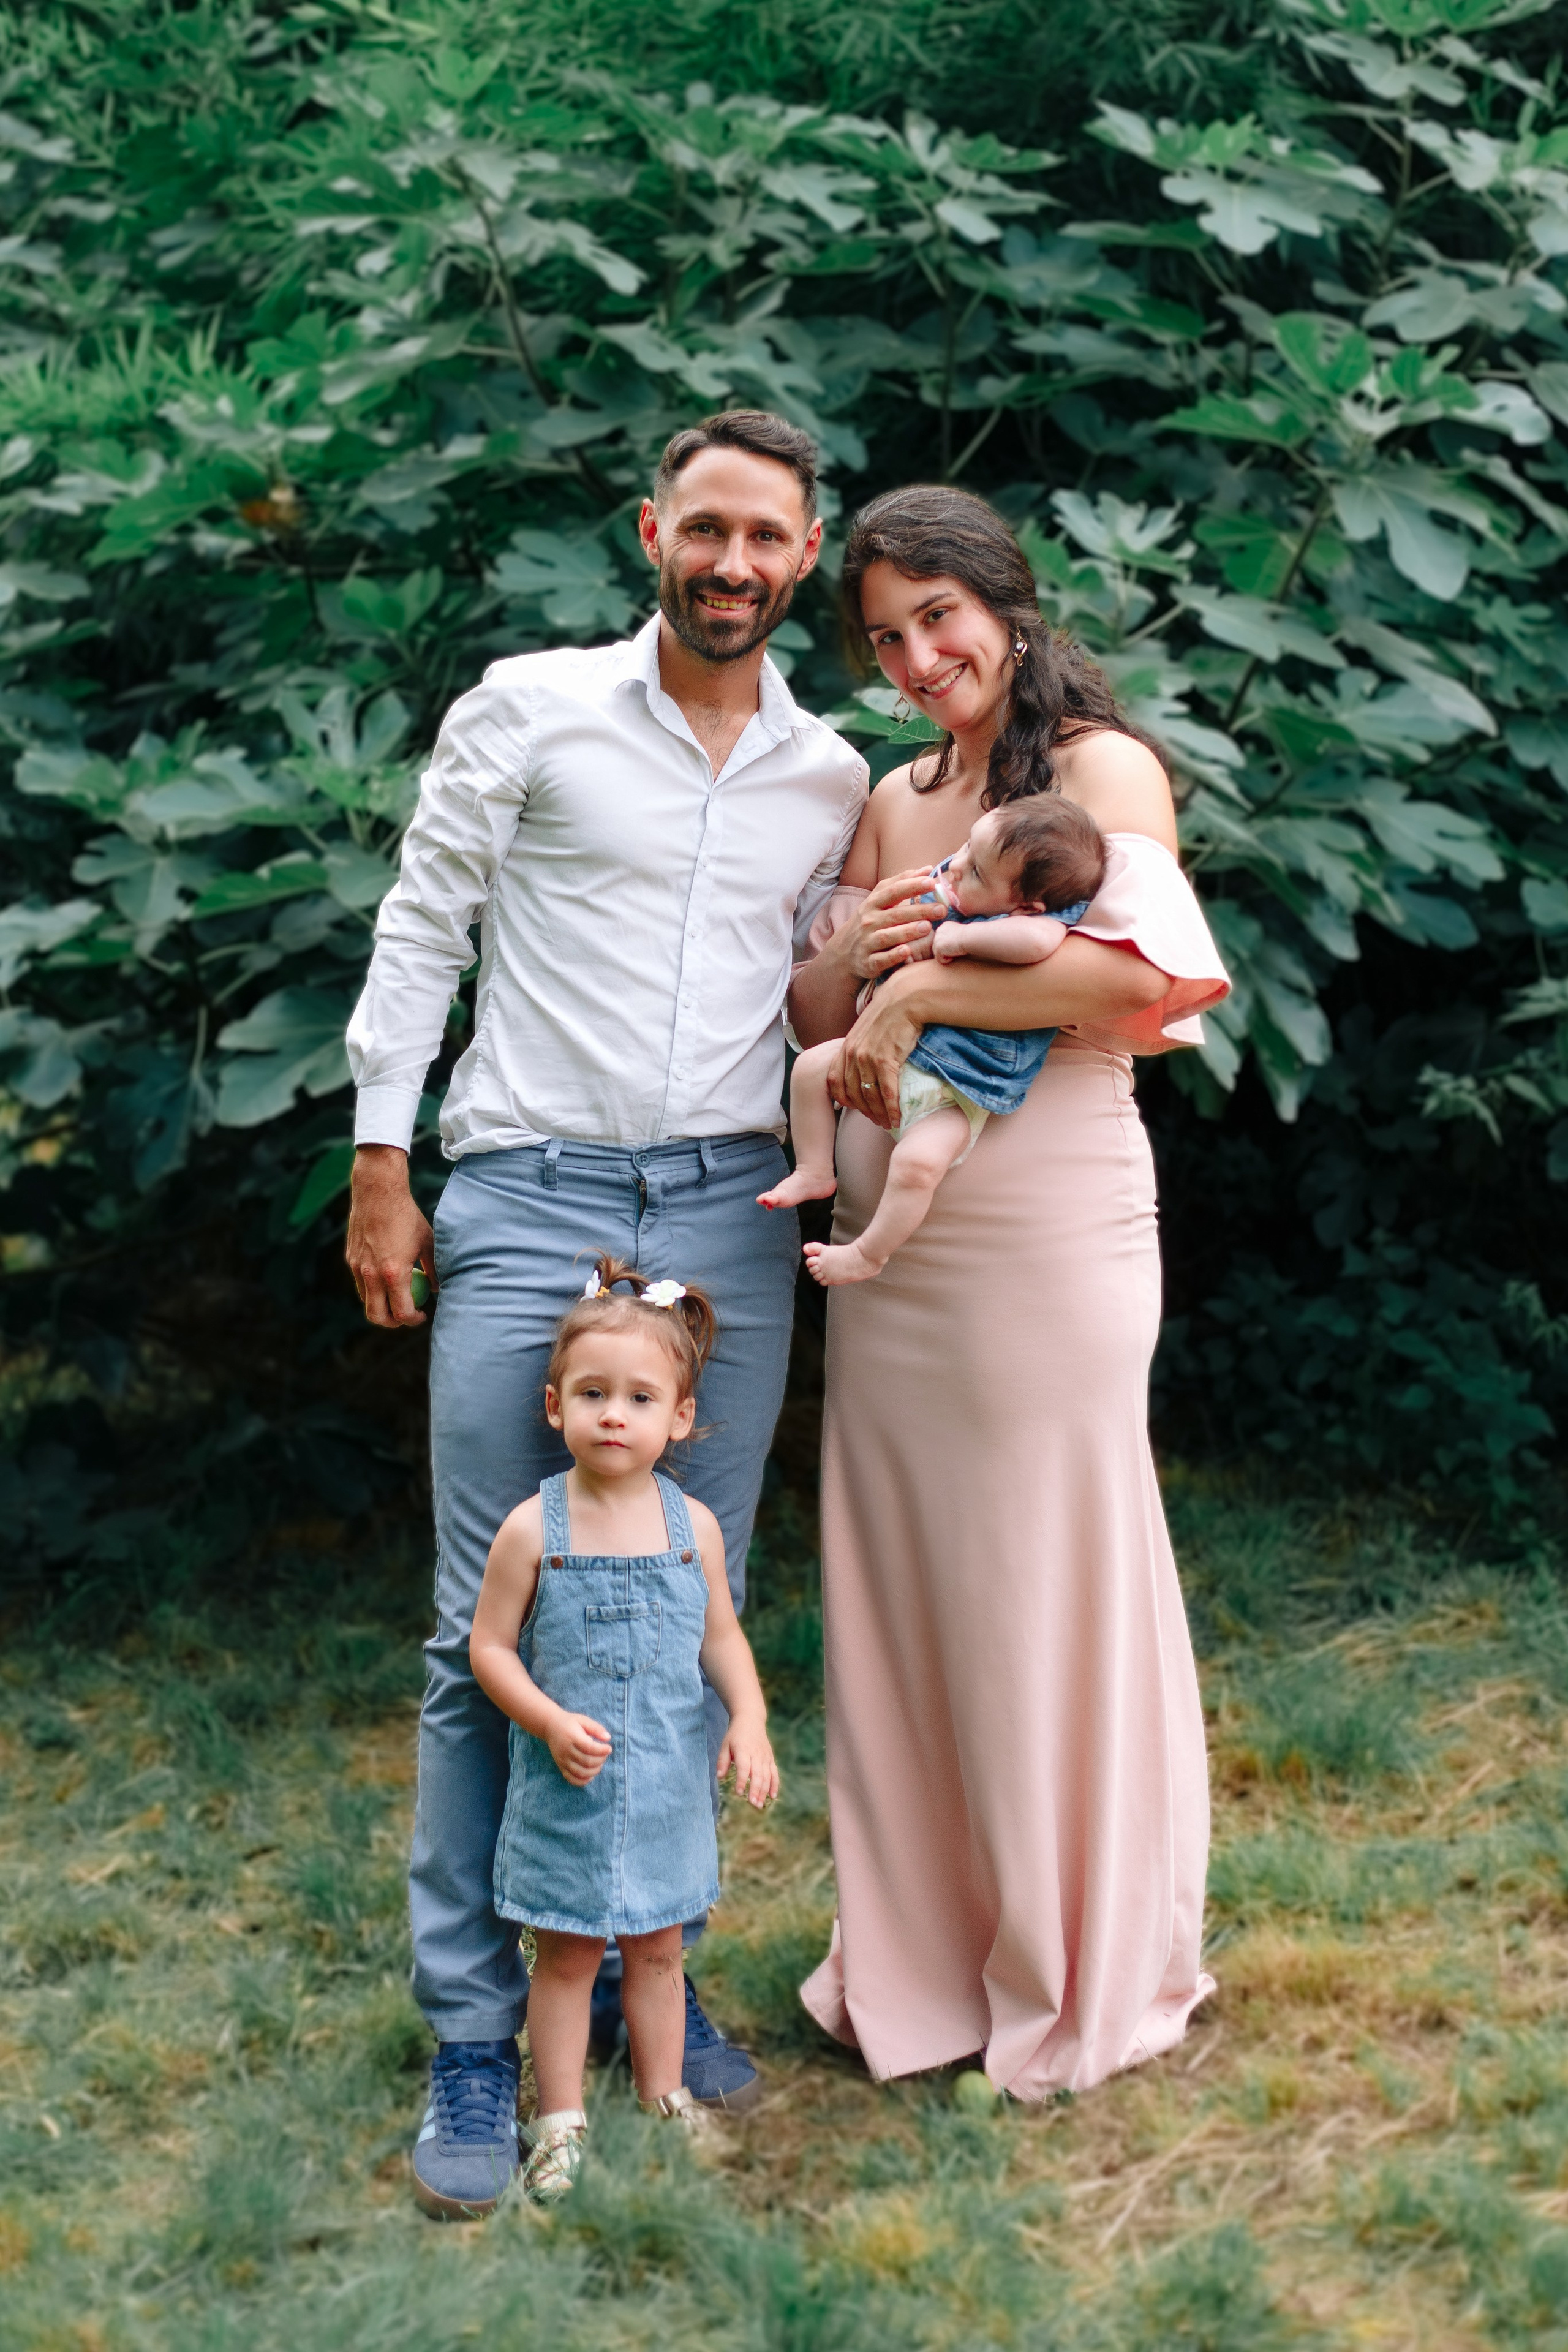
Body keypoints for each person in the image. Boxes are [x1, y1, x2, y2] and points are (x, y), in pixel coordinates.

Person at [344, 411, 867, 2217]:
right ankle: (476, 2029)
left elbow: (817, 995)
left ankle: (651, 1956)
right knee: (480, 1619)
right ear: (652, 531)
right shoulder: (530, 709)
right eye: (704, 528)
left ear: (805, 556)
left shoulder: (826, 771)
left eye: (767, 537)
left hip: (725, 1211)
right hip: (530, 1191)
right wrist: (381, 1155)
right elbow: (423, 925)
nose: (733, 563)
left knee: (677, 1615)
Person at [788, 484, 1230, 2099]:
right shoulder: (894, 796)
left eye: (938, 619)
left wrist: (919, 991)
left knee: (1045, 1571)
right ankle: (927, 1956)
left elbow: (1132, 980)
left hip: (1043, 1230)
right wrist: (869, 957)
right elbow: (811, 1008)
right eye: (884, 638)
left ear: (1004, 605)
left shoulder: (1099, 772)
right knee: (908, 1585)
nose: (917, 660)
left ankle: (1075, 1954)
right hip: (890, 1251)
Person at [470, 1257, 778, 2206]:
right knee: (565, 1954)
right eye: (593, 1394)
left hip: (665, 1788)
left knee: (658, 1950)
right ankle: (559, 2120)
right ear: (554, 1404)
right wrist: (547, 1718)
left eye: (640, 1399)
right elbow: (490, 1649)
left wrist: (750, 1717)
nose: (614, 1415)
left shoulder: (694, 1529)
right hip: (568, 1785)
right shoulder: (534, 1529)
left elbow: (720, 1637)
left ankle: (663, 2092)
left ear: (678, 1418)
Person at [761, 796, 1106, 1284]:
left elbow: (1035, 944)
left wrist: (962, 940)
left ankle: (870, 1253)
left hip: (957, 1091)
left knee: (918, 1166)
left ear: (1026, 905)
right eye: (966, 848)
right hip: (902, 1061)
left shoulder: (1032, 926)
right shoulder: (951, 904)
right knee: (811, 1067)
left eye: (978, 871)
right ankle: (815, 1169)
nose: (958, 866)